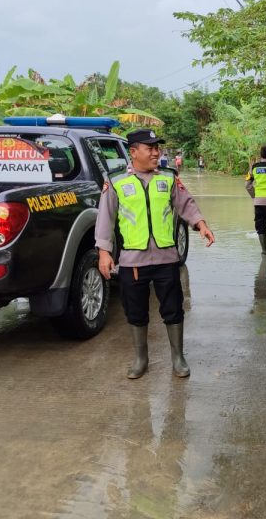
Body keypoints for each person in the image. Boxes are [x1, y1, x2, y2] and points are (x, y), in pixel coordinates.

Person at [95, 128, 215, 380]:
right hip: (132, 260)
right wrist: (104, 252)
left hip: (166, 258)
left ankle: (178, 357)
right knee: (135, 311)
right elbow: (105, 218)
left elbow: (186, 203)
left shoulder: (168, 178)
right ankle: (141, 358)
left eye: (156, 148)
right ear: (133, 151)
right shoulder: (116, 181)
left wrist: (200, 224)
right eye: (149, 148)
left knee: (173, 308)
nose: (155, 152)